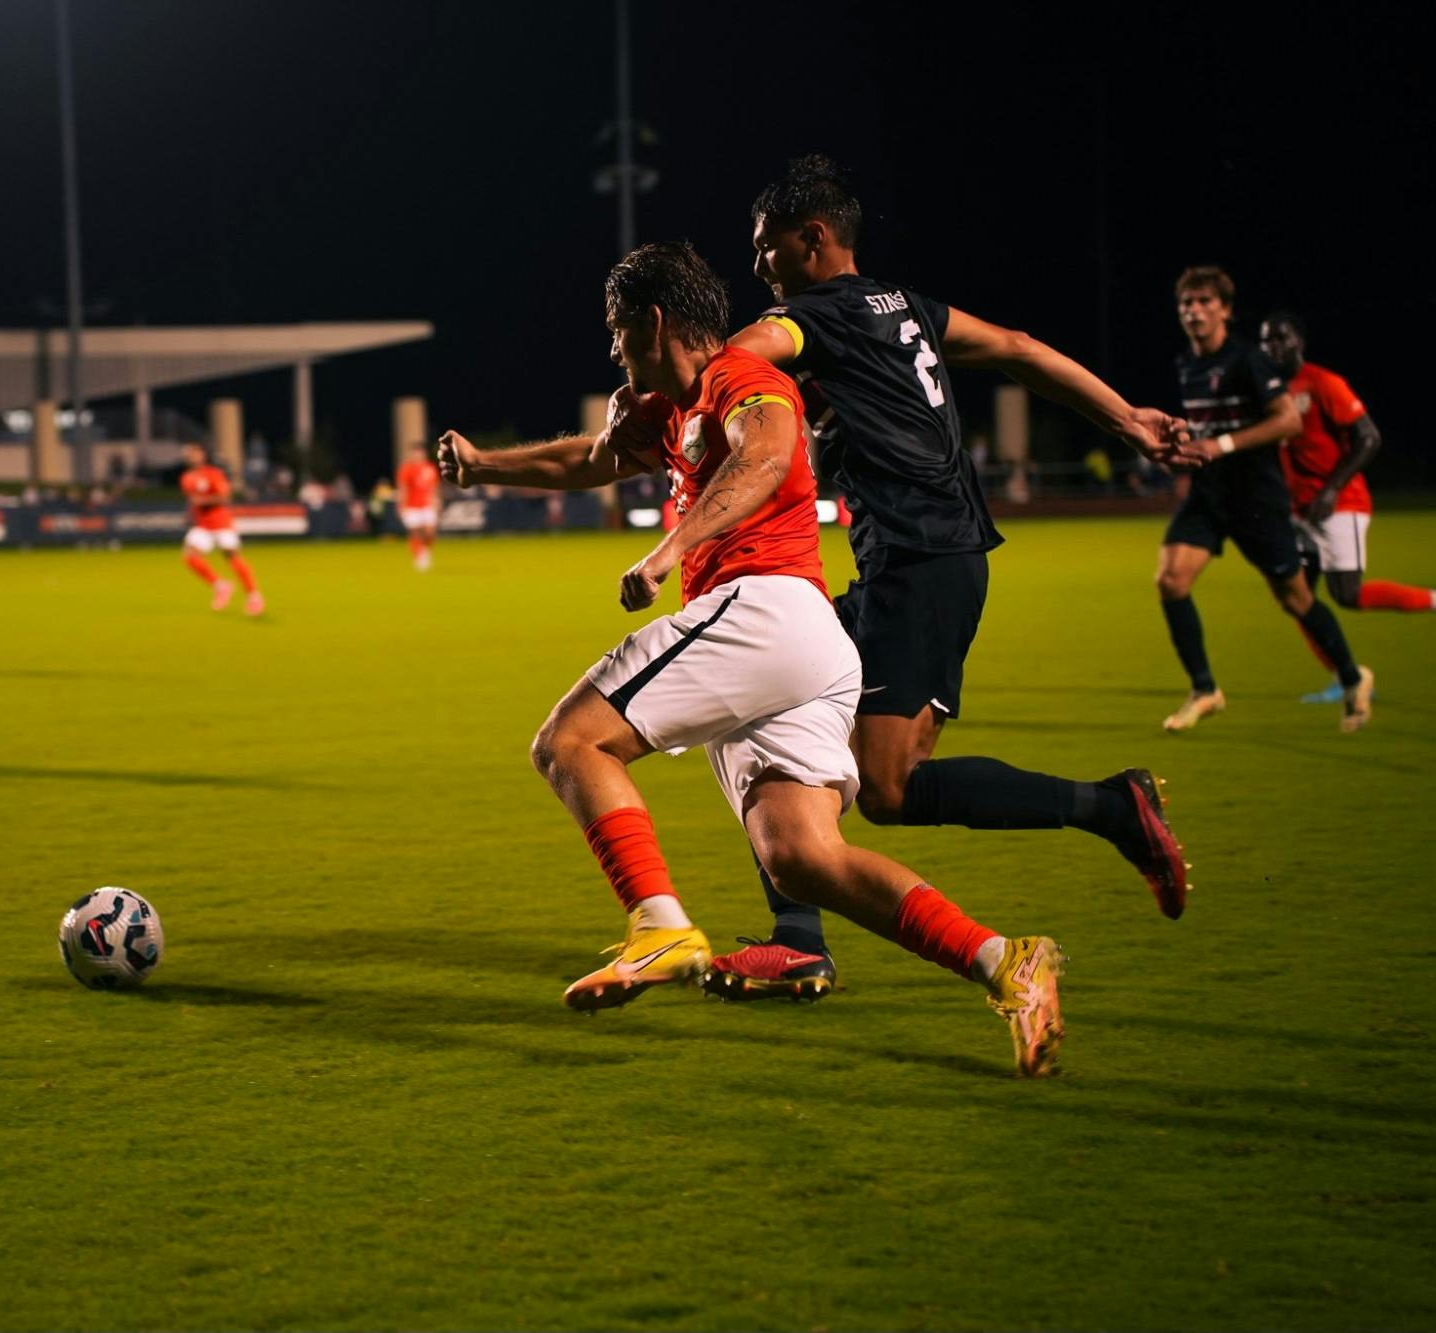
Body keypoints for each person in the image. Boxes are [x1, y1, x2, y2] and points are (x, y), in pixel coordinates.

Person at [439, 241, 1066, 1076]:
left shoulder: (744, 377)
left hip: (764, 609)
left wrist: (669, 550)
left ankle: (658, 922)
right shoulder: (666, 408)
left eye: (618, 334)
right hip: (802, 649)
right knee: (803, 858)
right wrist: (483, 466)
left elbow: (766, 458)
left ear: (652, 322)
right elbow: (588, 459)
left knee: (570, 743)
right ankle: (1006, 961)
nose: (615, 352)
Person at [653, 156, 1189, 1001]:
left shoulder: (809, 317)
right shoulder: (907, 308)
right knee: (766, 685)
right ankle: (797, 938)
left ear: (812, 239)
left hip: (920, 560)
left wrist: (673, 381)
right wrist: (1127, 418)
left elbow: (742, 356)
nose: (758, 265)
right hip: (920, 557)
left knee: (890, 789)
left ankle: (1114, 806)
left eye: (766, 248)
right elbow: (1015, 348)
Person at [1156, 270, 1372, 732]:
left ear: (1225, 310)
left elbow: (1289, 422)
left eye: (1203, 301)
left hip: (1257, 500)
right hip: (1209, 495)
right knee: (1171, 581)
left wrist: (1223, 445)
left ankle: (1354, 678)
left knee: (1294, 599)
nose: (1192, 310)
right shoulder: (1187, 365)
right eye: (1185, 303)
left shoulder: (1249, 360)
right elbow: (1206, 432)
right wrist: (1179, 446)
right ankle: (1204, 689)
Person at [1258, 312, 1431, 704]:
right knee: (1294, 595)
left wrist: (1332, 490)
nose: (1273, 347)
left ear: (1299, 340)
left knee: (1347, 594)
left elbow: (1369, 438)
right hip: (1300, 512)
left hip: (1340, 504)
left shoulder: (1323, 383)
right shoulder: (1269, 392)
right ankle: (1345, 677)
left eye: (1281, 338)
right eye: (1266, 340)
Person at [178, 442, 262, 615]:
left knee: (232, 557)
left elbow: (224, 497)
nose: (192, 456)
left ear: (203, 455)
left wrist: (202, 502)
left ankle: (253, 596)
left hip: (221, 522)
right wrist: (189, 513)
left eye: (196, 453)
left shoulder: (214, 473)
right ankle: (220, 585)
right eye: (190, 454)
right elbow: (192, 500)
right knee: (190, 557)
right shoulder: (186, 478)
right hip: (202, 524)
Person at [396, 441, 441, 571]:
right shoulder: (406, 469)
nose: (418, 455)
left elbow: (434, 488)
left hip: (427, 505)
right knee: (415, 533)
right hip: (411, 506)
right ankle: (419, 556)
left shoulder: (430, 468)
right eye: (416, 453)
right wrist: (401, 505)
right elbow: (403, 489)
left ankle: (425, 551)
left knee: (429, 533)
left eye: (420, 453)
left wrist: (437, 502)